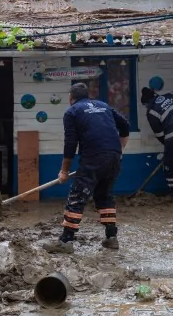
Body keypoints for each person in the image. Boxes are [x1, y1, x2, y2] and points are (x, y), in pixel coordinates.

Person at [43, 83, 130, 254]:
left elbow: (70, 144)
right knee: (104, 196)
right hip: (113, 158)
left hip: (94, 158)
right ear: (87, 96)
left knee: (77, 196)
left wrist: (64, 171)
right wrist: (119, 150)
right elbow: (125, 125)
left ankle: (66, 241)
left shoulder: (72, 112)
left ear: (70, 98)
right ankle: (111, 238)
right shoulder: (104, 106)